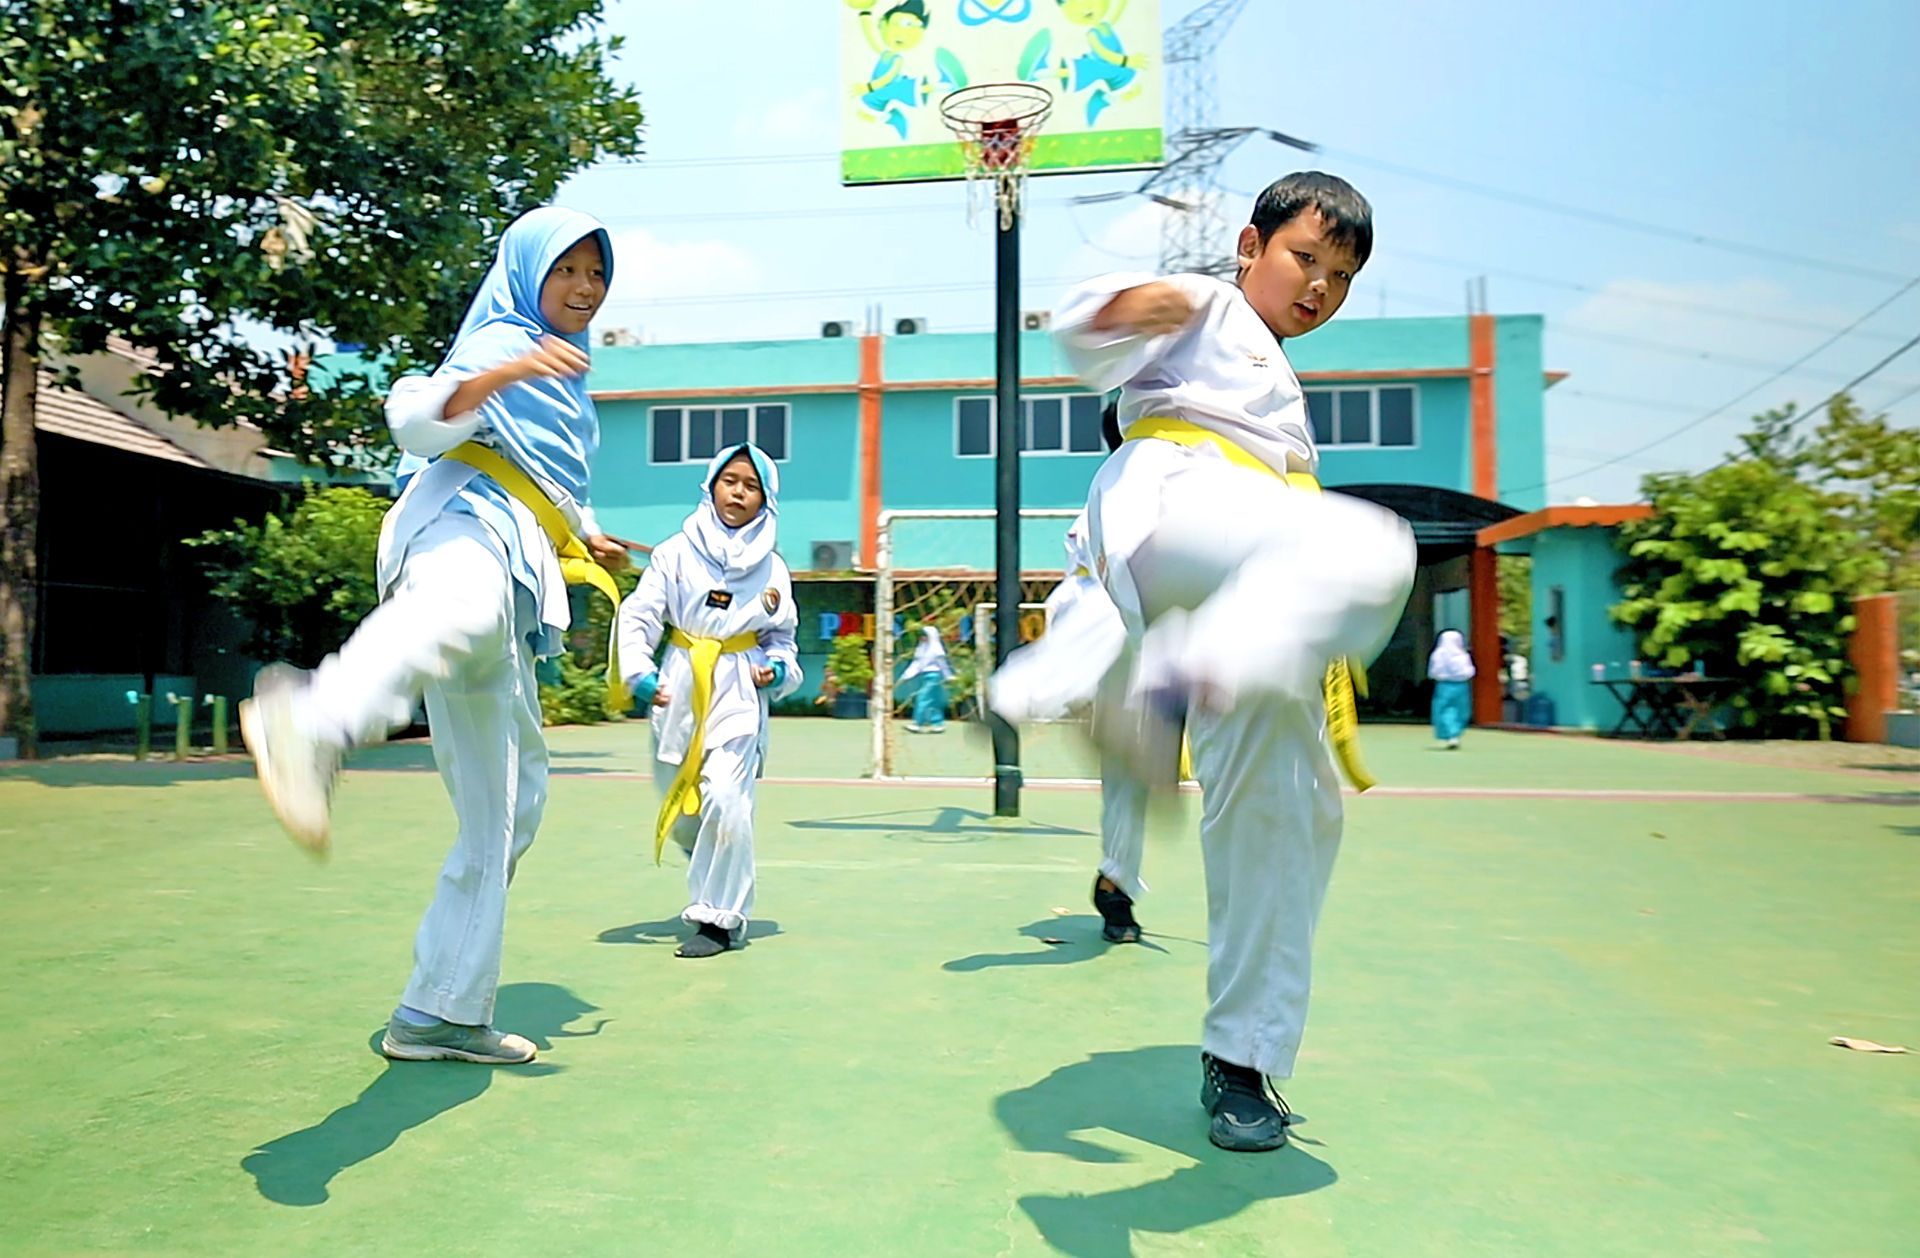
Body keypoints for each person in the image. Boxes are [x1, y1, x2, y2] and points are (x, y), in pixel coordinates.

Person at [995, 172, 1416, 1152]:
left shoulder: (1281, 386)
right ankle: (1149, 680)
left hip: (1251, 577)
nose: (1319, 286)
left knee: (1292, 815)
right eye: (1304, 258)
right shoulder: (1213, 306)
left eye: (1342, 276)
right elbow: (1095, 324)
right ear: (1249, 244)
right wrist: (1127, 303)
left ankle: (1244, 1059)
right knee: (1378, 546)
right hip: (1179, 507)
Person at [239, 207, 629, 1064]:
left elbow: (543, 471)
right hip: (459, 528)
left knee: (512, 802)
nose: (584, 289)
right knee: (461, 611)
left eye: (597, 274)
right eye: (567, 270)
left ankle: (438, 1011)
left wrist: (582, 531)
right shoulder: (500, 342)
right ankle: (310, 719)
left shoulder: (562, 382)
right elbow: (416, 422)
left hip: (513, 556)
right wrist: (508, 370)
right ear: (528, 272)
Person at [616, 444, 801, 959]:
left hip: (739, 690)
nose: (738, 492)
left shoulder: (773, 570)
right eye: (730, 480)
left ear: (766, 498)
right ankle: (701, 853)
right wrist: (638, 670)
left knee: (726, 797)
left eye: (751, 485)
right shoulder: (674, 553)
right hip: (679, 683)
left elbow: (782, 638)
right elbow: (639, 616)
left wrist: (779, 668)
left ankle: (717, 919)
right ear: (711, 485)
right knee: (683, 809)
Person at [900, 624, 955, 733]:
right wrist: (906, 676)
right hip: (924, 676)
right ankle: (937, 723)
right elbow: (916, 664)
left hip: (934, 676)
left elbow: (942, 664)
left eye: (925, 636)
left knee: (923, 698)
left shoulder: (936, 649)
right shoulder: (922, 648)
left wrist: (948, 676)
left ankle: (918, 723)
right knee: (933, 700)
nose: (922, 638)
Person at [1428, 629, 1475, 749]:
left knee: (1447, 710)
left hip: (1445, 686)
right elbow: (1469, 671)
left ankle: (1451, 735)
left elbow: (1434, 671)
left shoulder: (1438, 654)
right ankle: (1454, 734)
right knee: (1457, 710)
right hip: (1460, 685)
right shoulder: (1462, 655)